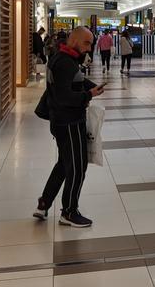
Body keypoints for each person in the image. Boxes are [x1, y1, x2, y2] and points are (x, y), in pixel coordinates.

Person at [34, 27, 105, 227]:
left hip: (61, 121)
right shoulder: (65, 63)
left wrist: (89, 87)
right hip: (69, 122)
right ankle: (69, 212)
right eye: (86, 43)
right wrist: (89, 95)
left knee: (64, 164)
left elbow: (74, 82)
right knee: (77, 167)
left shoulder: (62, 58)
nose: (89, 48)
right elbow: (65, 97)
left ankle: (44, 203)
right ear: (74, 40)